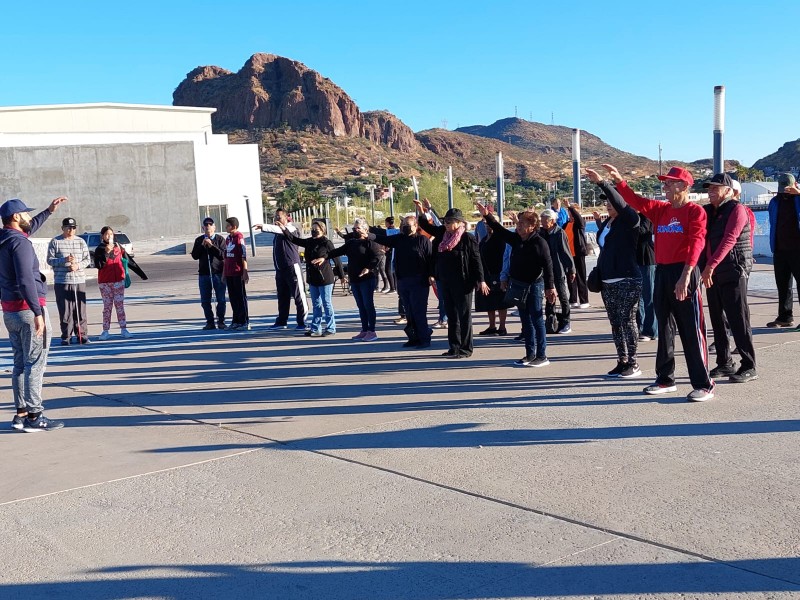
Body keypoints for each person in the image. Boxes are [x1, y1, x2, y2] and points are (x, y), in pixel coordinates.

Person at [601, 163, 713, 402]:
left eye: (670, 182)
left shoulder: (695, 212)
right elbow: (635, 200)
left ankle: (704, 384)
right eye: (665, 182)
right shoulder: (661, 210)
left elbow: (697, 243)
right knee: (664, 329)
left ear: (684, 186)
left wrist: (686, 275)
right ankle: (665, 379)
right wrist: (618, 180)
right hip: (662, 272)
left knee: (692, 330)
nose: (665, 186)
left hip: (685, 271)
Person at [1, 197, 67, 431]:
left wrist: (48, 212)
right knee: (35, 362)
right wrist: (37, 311)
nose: (30, 217)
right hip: (28, 310)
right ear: (16, 217)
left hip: (10, 312)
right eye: (26, 214)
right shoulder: (20, 244)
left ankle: (20, 414)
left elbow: (29, 228)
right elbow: (26, 279)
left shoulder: (6, 239)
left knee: (20, 363)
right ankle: (34, 416)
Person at [476, 203, 556, 367]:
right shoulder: (516, 239)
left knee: (537, 319)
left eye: (522, 224)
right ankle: (529, 354)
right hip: (518, 285)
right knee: (525, 320)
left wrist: (550, 287)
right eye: (518, 223)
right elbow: (500, 230)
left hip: (534, 286)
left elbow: (548, 266)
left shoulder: (539, 243)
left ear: (532, 226)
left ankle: (542, 355)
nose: (518, 227)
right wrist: (487, 216)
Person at [699, 173, 757, 383]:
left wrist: (710, 266)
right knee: (717, 318)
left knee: (738, 318)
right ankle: (724, 362)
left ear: (728, 191)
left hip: (733, 269)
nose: (710, 191)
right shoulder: (708, 211)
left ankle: (749, 365)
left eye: (715, 188)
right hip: (712, 273)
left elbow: (729, 239)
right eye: (709, 188)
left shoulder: (737, 209)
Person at [586, 171, 643, 378]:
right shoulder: (607, 224)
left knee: (627, 320)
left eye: (612, 201)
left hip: (627, 279)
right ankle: (622, 360)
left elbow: (624, 206)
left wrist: (603, 183)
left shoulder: (630, 220)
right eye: (606, 202)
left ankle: (633, 362)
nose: (608, 204)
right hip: (608, 280)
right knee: (615, 322)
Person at [416, 203, 488, 358]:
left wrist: (481, 280)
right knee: (452, 315)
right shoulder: (442, 233)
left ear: (459, 223)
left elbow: (476, 260)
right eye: (445, 222)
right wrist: (422, 212)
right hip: (445, 281)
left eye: (449, 222)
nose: (446, 224)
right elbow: (426, 227)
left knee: (464, 316)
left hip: (463, 282)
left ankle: (466, 348)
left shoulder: (467, 238)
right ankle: (454, 347)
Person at [372, 215, 434, 348]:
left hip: (419, 281)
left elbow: (431, 259)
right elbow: (384, 239)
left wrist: (432, 275)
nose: (405, 227)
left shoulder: (423, 240)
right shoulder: (399, 239)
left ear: (416, 226)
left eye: (408, 225)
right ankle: (413, 338)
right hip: (403, 280)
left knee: (419, 311)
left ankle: (424, 338)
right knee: (409, 312)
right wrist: (369, 235)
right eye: (403, 224)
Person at [280, 218, 343, 337]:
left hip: (325, 277)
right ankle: (316, 328)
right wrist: (284, 229)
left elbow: (336, 258)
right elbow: (294, 239)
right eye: (312, 229)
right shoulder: (309, 241)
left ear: (322, 230)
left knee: (326, 303)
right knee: (316, 304)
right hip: (313, 278)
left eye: (316, 229)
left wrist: (341, 275)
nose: (313, 231)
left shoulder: (326, 242)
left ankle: (331, 327)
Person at [323, 218, 381, 341]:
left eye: (358, 228)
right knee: (360, 306)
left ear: (365, 229)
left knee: (368, 305)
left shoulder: (371, 242)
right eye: (354, 228)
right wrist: (323, 257)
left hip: (367, 279)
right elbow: (336, 252)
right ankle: (364, 330)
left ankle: (372, 331)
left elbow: (378, 256)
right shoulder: (351, 242)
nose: (355, 230)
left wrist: (368, 268)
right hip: (354, 279)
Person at [255, 209, 308, 331]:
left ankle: (302, 322)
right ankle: (281, 321)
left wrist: (263, 226)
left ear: (286, 217)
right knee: (282, 297)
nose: (277, 219)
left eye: (279, 217)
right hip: (280, 269)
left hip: (292, 267)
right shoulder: (278, 233)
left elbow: (280, 230)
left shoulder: (291, 229)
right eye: (275, 217)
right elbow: (278, 230)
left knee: (299, 295)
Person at [95, 226, 147, 340]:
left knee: (120, 306)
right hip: (105, 283)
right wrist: (106, 253)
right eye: (107, 234)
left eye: (111, 234)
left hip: (118, 281)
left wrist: (141, 274)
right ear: (102, 236)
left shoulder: (118, 247)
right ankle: (105, 331)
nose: (109, 236)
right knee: (107, 307)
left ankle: (124, 329)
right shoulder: (100, 248)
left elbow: (128, 260)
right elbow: (98, 265)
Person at [47, 217, 91, 345]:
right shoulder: (55, 242)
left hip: (79, 280)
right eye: (68, 227)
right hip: (62, 281)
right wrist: (64, 260)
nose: (71, 230)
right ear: (63, 228)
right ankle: (66, 336)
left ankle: (82, 335)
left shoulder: (81, 242)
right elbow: (50, 260)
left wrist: (77, 266)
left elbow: (87, 260)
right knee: (65, 310)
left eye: (73, 227)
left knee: (80, 309)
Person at [766, 173, 800, 329]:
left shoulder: (798, 199)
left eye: (787, 188)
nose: (784, 191)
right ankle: (785, 317)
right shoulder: (774, 202)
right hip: (779, 249)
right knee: (783, 285)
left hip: (797, 249)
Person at [539, 209, 575, 334]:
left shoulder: (559, 233)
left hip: (558, 269)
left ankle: (566, 322)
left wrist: (571, 270)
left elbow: (566, 253)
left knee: (563, 296)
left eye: (545, 221)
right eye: (541, 221)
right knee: (549, 296)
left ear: (552, 221)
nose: (542, 223)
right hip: (545, 270)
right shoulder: (541, 233)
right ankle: (550, 321)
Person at [476, 219, 512, 336]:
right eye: (486, 224)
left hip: (498, 273)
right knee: (489, 301)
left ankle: (502, 327)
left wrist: (504, 276)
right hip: (486, 274)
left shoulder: (500, 239)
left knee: (501, 302)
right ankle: (492, 326)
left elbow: (505, 257)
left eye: (489, 224)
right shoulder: (484, 239)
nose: (487, 226)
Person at [190, 217, 227, 330]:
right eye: (206, 226)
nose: (208, 228)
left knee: (220, 299)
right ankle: (210, 322)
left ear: (214, 227)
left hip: (218, 273)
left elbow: (222, 255)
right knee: (205, 301)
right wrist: (202, 245)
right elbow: (195, 256)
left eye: (210, 226)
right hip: (204, 274)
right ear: (203, 228)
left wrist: (211, 246)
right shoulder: (199, 240)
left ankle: (221, 321)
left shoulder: (220, 239)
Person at [223, 217, 249, 330]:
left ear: (234, 227)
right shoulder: (228, 239)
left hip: (238, 272)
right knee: (233, 298)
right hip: (229, 273)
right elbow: (225, 257)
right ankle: (236, 320)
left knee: (240, 297)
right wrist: (224, 273)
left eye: (228, 225)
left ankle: (244, 321)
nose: (226, 227)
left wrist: (245, 272)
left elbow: (243, 256)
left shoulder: (239, 237)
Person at [564, 202, 590, 308]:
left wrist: (571, 207)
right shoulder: (566, 225)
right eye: (570, 213)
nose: (571, 215)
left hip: (578, 253)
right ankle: (573, 299)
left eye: (573, 213)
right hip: (569, 254)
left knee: (581, 277)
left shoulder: (580, 223)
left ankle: (584, 301)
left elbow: (580, 220)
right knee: (570, 277)